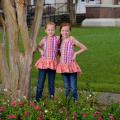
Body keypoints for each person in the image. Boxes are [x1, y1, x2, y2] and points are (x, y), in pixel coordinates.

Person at [57, 22, 87, 102]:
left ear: (70, 31)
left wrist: (75, 53)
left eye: (67, 31)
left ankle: (75, 103)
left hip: (71, 66)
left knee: (73, 87)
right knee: (67, 87)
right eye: (63, 30)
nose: (65, 32)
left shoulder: (71, 39)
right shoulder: (59, 40)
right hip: (63, 66)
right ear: (60, 31)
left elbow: (84, 48)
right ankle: (68, 103)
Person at [35, 22, 59, 102]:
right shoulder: (44, 39)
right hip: (43, 63)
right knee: (41, 81)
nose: (50, 31)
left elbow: (63, 45)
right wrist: (40, 50)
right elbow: (38, 46)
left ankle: (51, 98)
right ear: (45, 30)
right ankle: (37, 98)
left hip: (52, 63)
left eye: (52, 30)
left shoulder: (57, 39)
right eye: (49, 30)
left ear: (55, 30)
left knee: (51, 82)